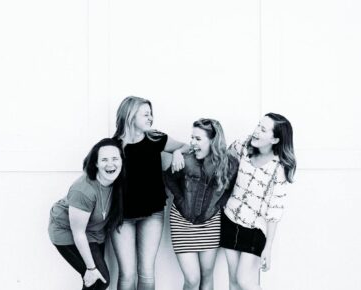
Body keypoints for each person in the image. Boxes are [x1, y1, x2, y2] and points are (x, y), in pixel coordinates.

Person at [110, 96, 189, 290]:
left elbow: (186, 146)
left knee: (146, 273)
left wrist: (178, 152)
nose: (150, 118)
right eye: (145, 114)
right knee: (127, 275)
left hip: (152, 214)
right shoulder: (113, 146)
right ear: (130, 116)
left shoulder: (156, 139)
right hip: (121, 216)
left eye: (151, 114)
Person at [220, 113, 297, 290]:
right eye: (258, 126)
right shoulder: (242, 148)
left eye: (263, 130)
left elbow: (274, 210)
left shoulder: (279, 168)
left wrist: (268, 248)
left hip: (254, 229)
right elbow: (220, 163)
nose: (256, 131)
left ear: (275, 139)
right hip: (229, 219)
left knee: (245, 281)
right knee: (233, 282)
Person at [163, 118, 239, 290]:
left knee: (206, 276)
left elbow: (230, 190)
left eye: (198, 139)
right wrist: (181, 201)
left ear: (213, 140)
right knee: (192, 280)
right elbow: (169, 179)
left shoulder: (230, 164)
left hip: (210, 224)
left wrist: (217, 206)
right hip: (182, 223)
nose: (192, 143)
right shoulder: (185, 159)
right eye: (192, 138)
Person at [48, 138, 125, 290]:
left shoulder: (118, 181)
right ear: (96, 163)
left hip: (93, 231)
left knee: (94, 282)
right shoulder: (83, 190)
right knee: (98, 279)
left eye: (115, 158)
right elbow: (78, 233)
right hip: (68, 231)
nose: (110, 164)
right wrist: (90, 268)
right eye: (104, 159)